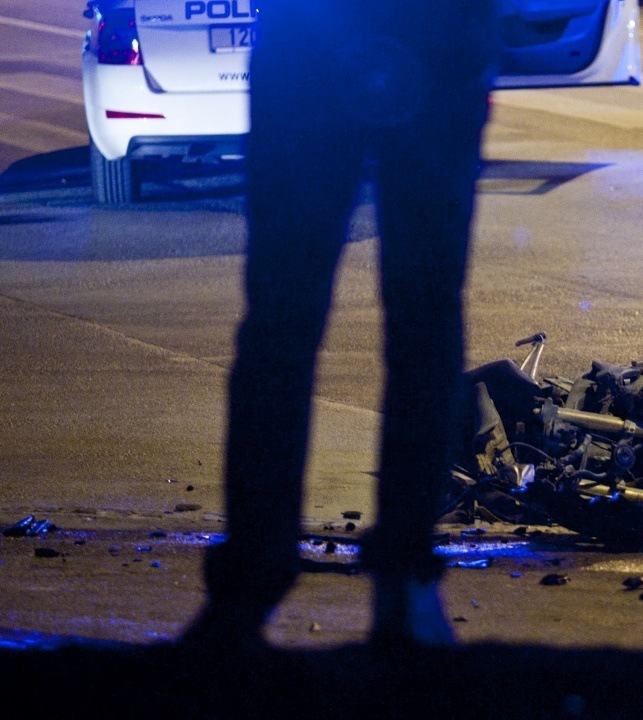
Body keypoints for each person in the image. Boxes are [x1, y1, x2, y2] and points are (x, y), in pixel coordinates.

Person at [186, 0, 499, 648]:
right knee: (417, 318)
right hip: (425, 39)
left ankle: (254, 588)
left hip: (333, 42)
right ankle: (400, 584)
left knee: (287, 319)